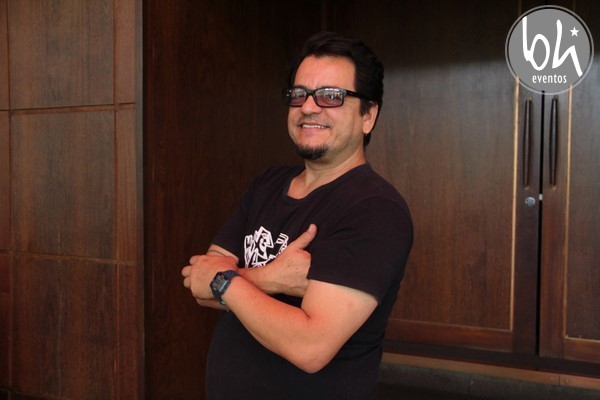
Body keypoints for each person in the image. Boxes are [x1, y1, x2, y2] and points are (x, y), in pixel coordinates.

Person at [181, 31, 413, 400]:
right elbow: (199, 285)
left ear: (368, 115)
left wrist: (226, 282)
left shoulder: (374, 209)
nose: (308, 107)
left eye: (331, 96)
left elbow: (310, 347)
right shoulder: (266, 184)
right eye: (299, 94)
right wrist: (270, 277)